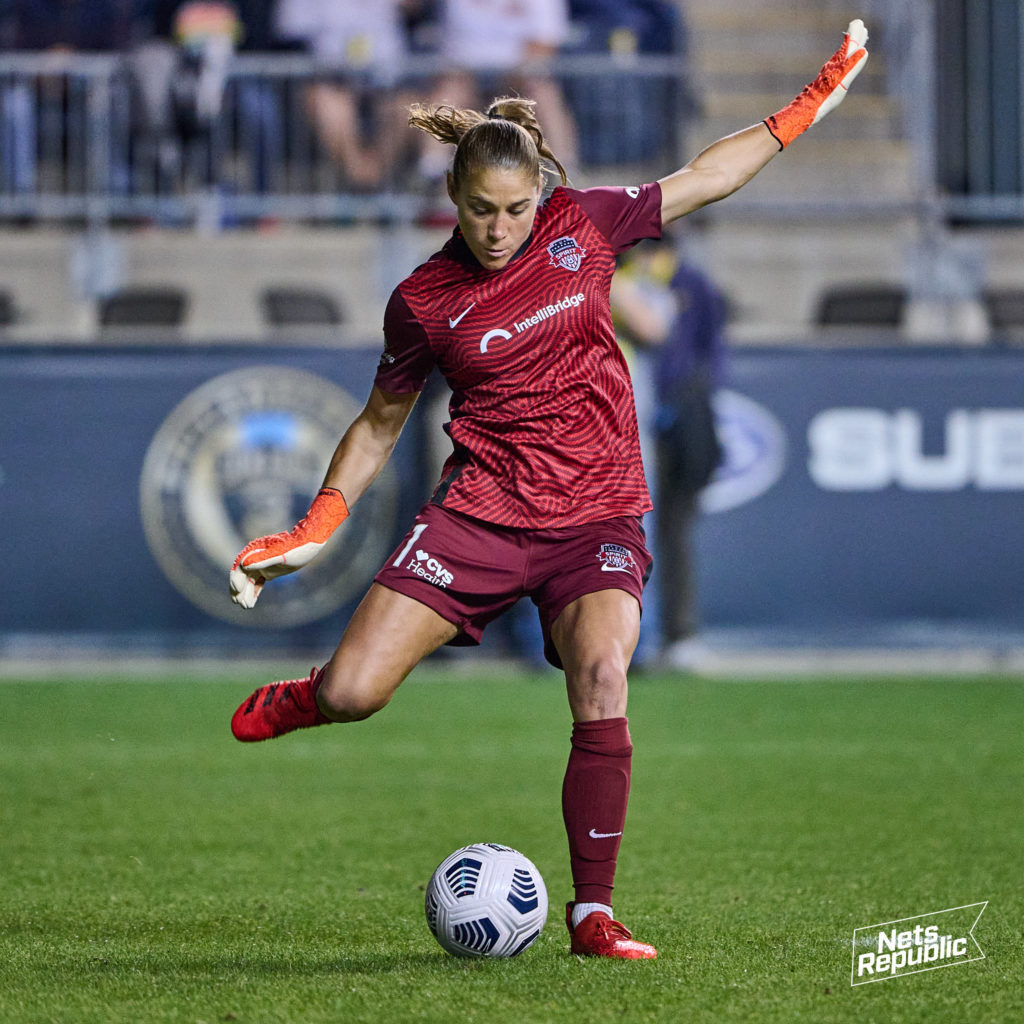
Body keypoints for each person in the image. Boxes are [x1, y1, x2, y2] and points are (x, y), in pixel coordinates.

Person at [227, 20, 870, 959]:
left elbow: (706, 175)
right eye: (483, 209)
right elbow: (378, 424)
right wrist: (319, 519)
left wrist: (805, 107)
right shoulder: (423, 300)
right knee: (359, 692)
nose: (500, 229)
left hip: (596, 514)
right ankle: (312, 697)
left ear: (542, 195)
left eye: (517, 208)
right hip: (480, 515)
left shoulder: (585, 225)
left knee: (603, 674)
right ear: (452, 194)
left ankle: (591, 914)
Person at [611, 232, 728, 670]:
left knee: (661, 533)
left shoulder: (678, 284)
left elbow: (685, 344)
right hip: (630, 426)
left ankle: (662, 637)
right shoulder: (623, 283)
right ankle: (639, 639)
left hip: (666, 420)